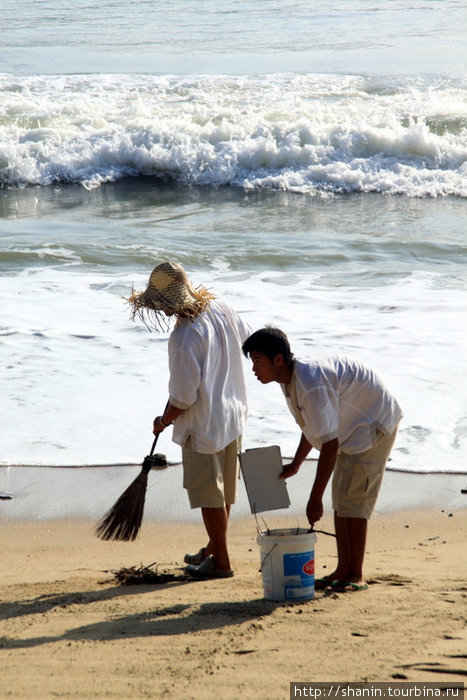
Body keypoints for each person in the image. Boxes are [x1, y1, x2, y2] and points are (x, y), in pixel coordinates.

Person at [242, 326, 402, 593]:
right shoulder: (289, 380)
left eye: (257, 361)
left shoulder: (310, 384)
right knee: (341, 501)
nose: (254, 369)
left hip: (374, 422)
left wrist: (314, 498)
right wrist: (296, 463)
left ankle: (356, 574)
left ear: (278, 359)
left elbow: (329, 445)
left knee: (354, 502)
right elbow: (312, 426)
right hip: (350, 426)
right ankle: (342, 569)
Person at [128, 261, 250, 579]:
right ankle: (213, 549)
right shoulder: (221, 308)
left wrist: (164, 420)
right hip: (234, 413)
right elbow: (248, 340)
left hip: (204, 425)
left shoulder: (185, 338)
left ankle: (221, 562)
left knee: (209, 494)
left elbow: (183, 398)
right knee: (223, 491)